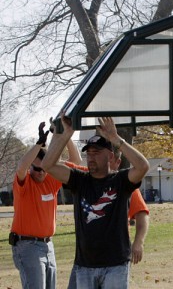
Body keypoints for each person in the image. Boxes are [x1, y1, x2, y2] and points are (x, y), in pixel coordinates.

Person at [41, 115, 150, 289]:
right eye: (89, 153)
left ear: (110, 155)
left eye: (96, 153)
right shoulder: (79, 180)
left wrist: (116, 139)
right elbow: (47, 165)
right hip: (85, 265)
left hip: (115, 264)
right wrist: (66, 135)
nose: (91, 157)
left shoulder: (121, 181)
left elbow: (143, 166)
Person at [9, 121, 81, 289]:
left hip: (48, 245)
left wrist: (64, 135)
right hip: (27, 247)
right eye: (35, 168)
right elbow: (21, 168)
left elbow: (76, 161)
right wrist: (39, 144)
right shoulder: (24, 183)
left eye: (43, 169)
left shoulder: (51, 179)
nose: (40, 173)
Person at [65, 147, 150, 289]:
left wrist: (138, 242)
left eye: (112, 161)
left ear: (117, 162)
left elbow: (142, 214)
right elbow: (66, 163)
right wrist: (65, 137)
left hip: (114, 258)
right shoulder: (85, 178)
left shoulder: (125, 185)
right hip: (85, 260)